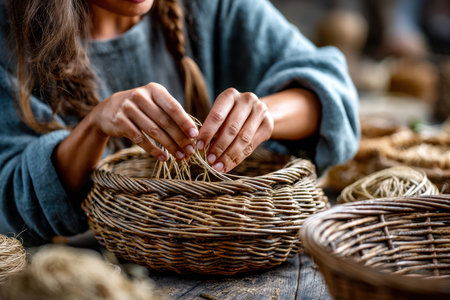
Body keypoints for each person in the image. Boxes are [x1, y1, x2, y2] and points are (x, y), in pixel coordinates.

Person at [0, 0, 359, 245]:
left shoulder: (211, 7)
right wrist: (94, 126)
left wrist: (264, 114)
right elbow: (11, 206)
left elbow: (332, 92)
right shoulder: (10, 35)